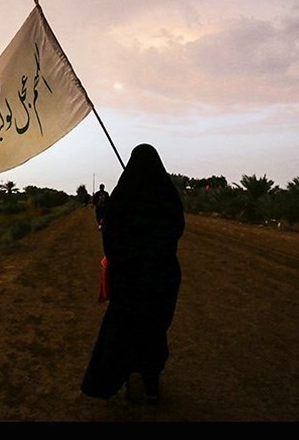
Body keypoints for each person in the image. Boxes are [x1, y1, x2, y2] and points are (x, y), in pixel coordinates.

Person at [81, 143, 185, 404]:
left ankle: (127, 375)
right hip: (162, 277)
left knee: (127, 325)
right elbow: (177, 230)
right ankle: (151, 383)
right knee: (155, 326)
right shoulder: (167, 195)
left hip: (128, 277)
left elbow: (110, 237)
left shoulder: (122, 196)